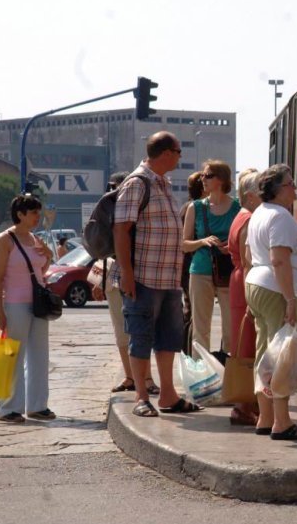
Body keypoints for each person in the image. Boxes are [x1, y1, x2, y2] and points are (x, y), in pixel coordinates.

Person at [113, 131, 201, 417]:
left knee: (168, 339)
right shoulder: (138, 183)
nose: (180, 157)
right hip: (143, 278)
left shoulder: (163, 183)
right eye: (178, 151)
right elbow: (121, 230)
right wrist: (127, 273)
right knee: (140, 337)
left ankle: (168, 395)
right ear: (166, 153)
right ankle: (141, 397)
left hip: (168, 279)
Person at [245, 164, 297, 440]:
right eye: (290, 184)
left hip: (258, 284)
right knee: (283, 356)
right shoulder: (281, 217)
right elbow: (279, 259)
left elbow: (251, 254)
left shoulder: (259, 214)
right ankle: (282, 422)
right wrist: (289, 299)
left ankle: (266, 417)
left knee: (265, 352)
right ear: (277, 189)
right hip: (279, 290)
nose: (294, 188)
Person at [0, 195, 55, 423]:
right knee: (14, 356)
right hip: (15, 303)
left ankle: (37, 405)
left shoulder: (35, 238)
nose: (38, 216)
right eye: (34, 212)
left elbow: (40, 271)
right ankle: (8, 408)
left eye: (38, 212)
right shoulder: (4, 240)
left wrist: (47, 256)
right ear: (20, 214)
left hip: (38, 304)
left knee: (39, 355)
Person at [93, 171, 157, 395]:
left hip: (138, 273)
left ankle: (147, 379)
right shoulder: (106, 210)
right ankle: (130, 377)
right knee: (121, 331)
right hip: (113, 274)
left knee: (140, 330)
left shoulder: (141, 210)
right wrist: (99, 280)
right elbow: (100, 247)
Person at [183, 159, 240, 355]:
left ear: (221, 179)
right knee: (201, 328)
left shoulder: (237, 208)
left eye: (207, 176)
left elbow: (244, 241)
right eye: (202, 175)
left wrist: (230, 248)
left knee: (231, 328)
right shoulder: (196, 207)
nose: (202, 179)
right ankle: (200, 375)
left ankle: (231, 374)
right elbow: (184, 244)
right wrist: (203, 241)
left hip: (228, 270)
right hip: (200, 270)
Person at [226, 168, 261, 426]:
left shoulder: (240, 215)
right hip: (245, 282)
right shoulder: (249, 219)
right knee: (247, 345)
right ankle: (243, 406)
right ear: (250, 196)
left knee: (243, 343)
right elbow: (249, 261)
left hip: (238, 280)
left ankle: (246, 404)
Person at [179, 171, 205, 355]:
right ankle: (188, 353)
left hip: (185, 267)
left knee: (191, 312)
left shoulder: (186, 207)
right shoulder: (193, 208)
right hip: (190, 266)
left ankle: (187, 352)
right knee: (192, 314)